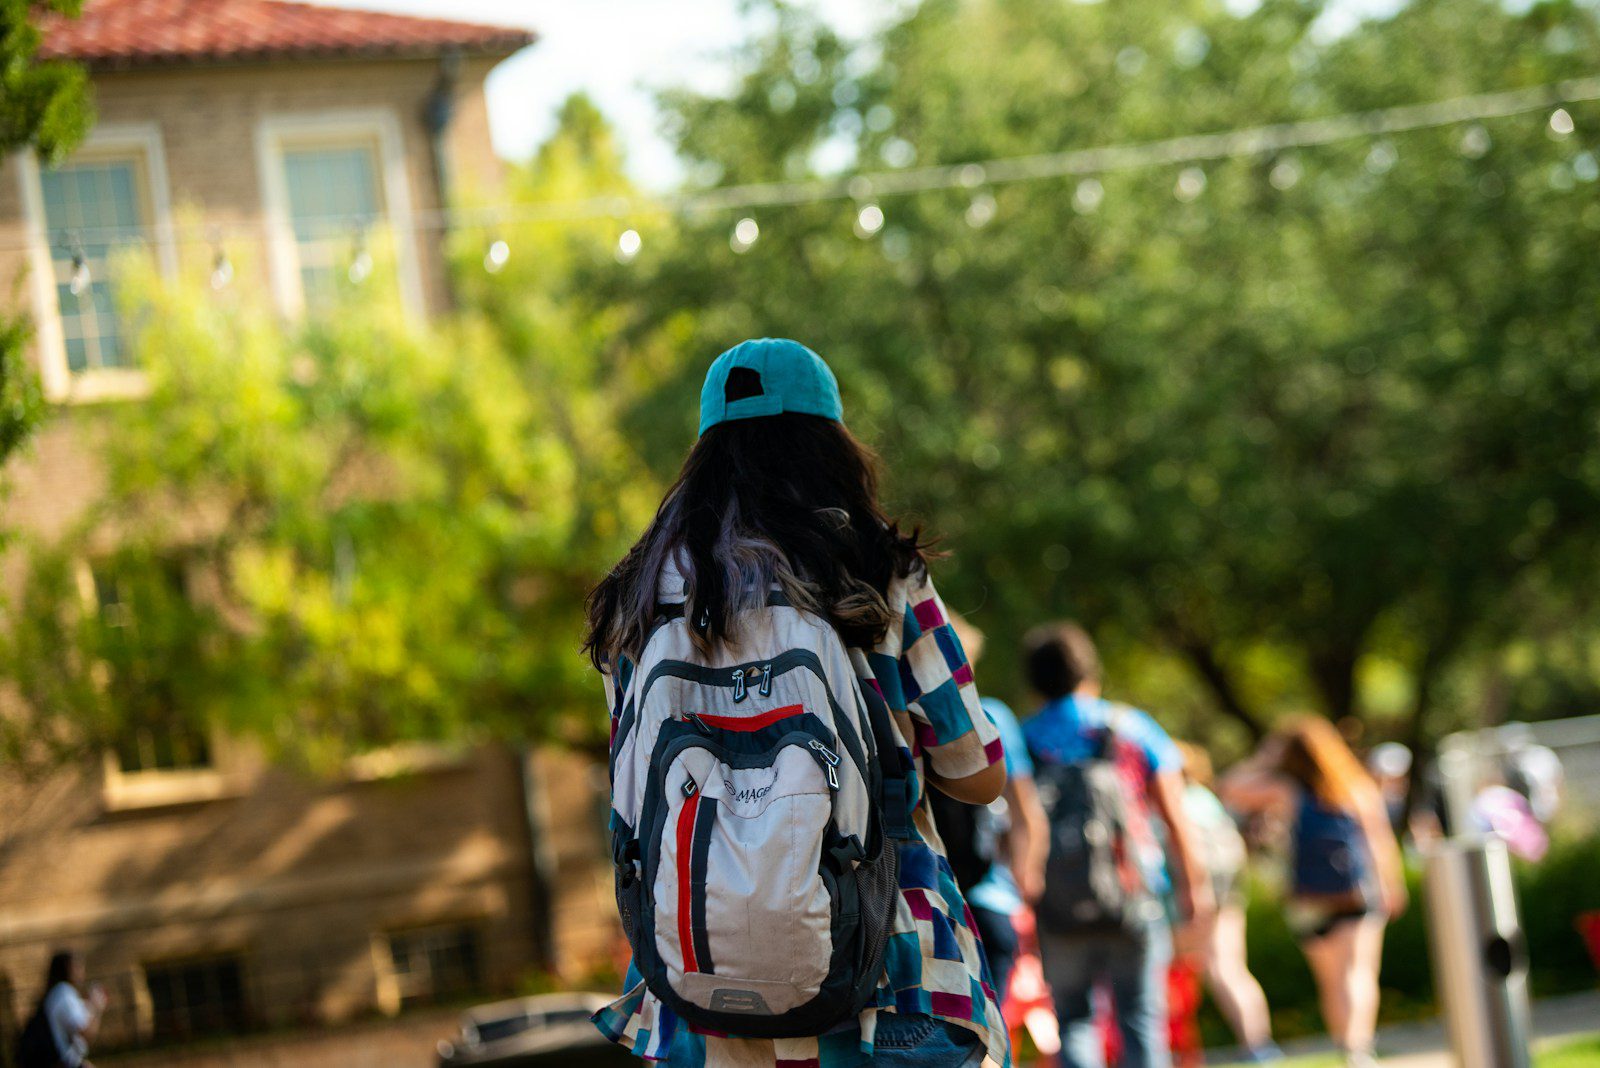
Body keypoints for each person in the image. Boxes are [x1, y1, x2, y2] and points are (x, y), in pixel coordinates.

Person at [584, 338, 1010, 1067]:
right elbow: (977, 771)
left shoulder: (638, 594)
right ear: (832, 444)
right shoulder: (878, 568)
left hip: (700, 980)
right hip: (891, 973)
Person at [1019, 622, 1213, 1068]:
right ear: (1090, 671)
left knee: (1073, 1018)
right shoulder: (1131, 728)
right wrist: (1193, 888)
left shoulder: (1024, 739)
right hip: (1134, 892)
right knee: (1141, 1015)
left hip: (1056, 900)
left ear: (1034, 682)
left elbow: (1015, 826)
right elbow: (1176, 818)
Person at [1220, 717, 1407, 1068]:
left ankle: (1347, 1045)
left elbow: (1229, 786)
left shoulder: (1287, 791)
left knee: (1331, 980)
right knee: (1358, 972)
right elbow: (1380, 842)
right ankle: (1357, 1050)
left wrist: (1265, 758)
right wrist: (1391, 886)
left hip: (1308, 900)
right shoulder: (1356, 788)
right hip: (1354, 892)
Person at [938, 617, 1049, 1008]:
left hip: (928, 900)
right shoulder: (992, 717)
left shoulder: (901, 718)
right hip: (991, 898)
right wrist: (1026, 882)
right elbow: (1025, 812)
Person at [1171, 743, 1279, 1063]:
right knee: (1232, 969)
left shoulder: (1178, 803)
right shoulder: (1206, 800)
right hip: (1229, 892)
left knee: (1210, 971)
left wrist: (1193, 896)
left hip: (1200, 894)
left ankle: (1182, 1051)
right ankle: (1260, 1043)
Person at [14, 950, 106, 1068]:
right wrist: (96, 1007)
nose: (82, 971)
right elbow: (85, 1033)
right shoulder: (64, 993)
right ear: (67, 969)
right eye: (77, 966)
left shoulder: (58, 993)